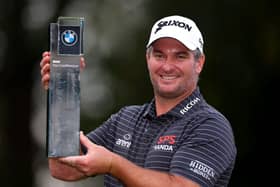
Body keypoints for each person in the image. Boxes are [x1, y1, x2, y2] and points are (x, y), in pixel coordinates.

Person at [40, 15, 236, 187]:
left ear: (199, 63)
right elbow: (62, 168)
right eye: (159, 55)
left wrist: (113, 165)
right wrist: (62, 94)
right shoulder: (126, 118)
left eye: (180, 56)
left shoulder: (210, 125)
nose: (167, 66)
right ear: (147, 58)